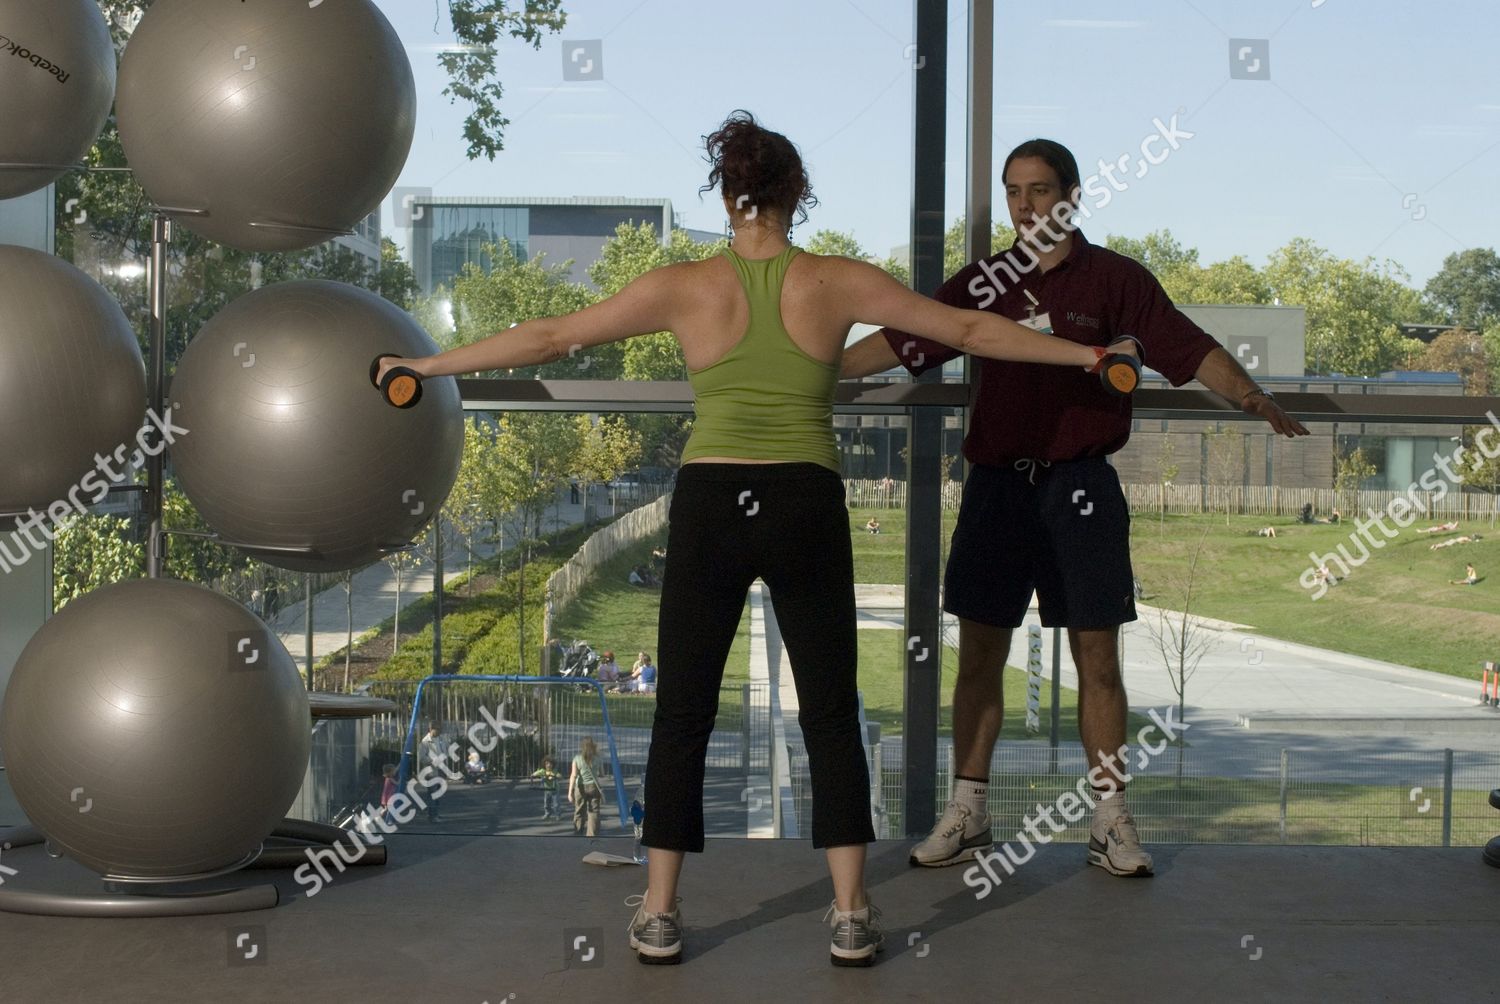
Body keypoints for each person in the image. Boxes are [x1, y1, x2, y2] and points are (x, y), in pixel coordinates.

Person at [375, 111, 1134, 967]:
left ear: (727, 193)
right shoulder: (837, 280)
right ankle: (851, 912)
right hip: (804, 500)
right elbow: (964, 331)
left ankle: (660, 911)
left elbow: (551, 336)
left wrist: (424, 369)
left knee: (683, 713)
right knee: (830, 714)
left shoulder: (684, 285)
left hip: (710, 502)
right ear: (796, 194)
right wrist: (1089, 357)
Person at [841, 137, 1309, 879]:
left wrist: (1251, 395)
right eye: (1013, 192)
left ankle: (1110, 820)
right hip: (998, 486)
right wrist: (815, 371)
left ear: (1073, 195)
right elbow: (905, 339)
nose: (1024, 207)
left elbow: (1190, 348)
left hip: (1082, 487)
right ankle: (969, 811)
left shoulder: (1119, 282)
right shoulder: (988, 281)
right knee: (979, 657)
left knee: (1097, 659)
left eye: (1038, 190)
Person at [568, 737, 604, 838]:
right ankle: (591, 835)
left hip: (580, 787)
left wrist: (570, 792)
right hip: (593, 786)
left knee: (579, 810)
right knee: (594, 811)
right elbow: (602, 774)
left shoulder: (577, 758)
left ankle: (578, 833)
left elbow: (573, 775)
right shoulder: (597, 758)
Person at [418, 724, 447, 823]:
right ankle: (432, 816)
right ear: (430, 729)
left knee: (438, 793)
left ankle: (435, 813)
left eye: (440, 729)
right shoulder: (424, 742)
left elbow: (445, 751)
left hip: (441, 769)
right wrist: (433, 761)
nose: (439, 731)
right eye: (437, 729)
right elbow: (422, 758)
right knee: (432, 794)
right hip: (431, 771)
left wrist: (443, 759)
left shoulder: (440, 739)